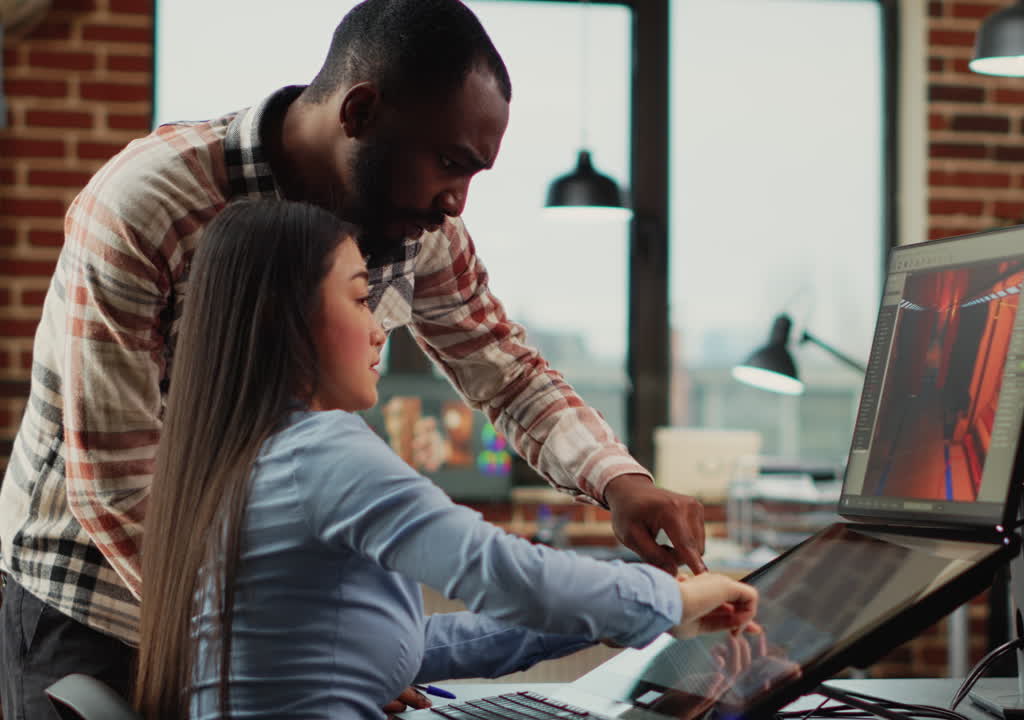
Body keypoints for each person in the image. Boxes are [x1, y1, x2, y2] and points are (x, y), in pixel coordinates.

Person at [0, 1, 707, 716]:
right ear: (361, 111)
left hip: (255, 621)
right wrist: (277, 650)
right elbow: (118, 486)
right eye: (451, 163)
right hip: (93, 598)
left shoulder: (413, 221)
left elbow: (507, 368)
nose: (458, 202)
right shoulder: (149, 204)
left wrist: (619, 481)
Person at [133, 199, 758, 719]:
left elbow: (406, 645)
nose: (381, 329)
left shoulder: (229, 456)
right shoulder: (320, 454)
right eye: (358, 299)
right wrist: (671, 598)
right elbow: (501, 573)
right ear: (285, 321)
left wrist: (633, 617)